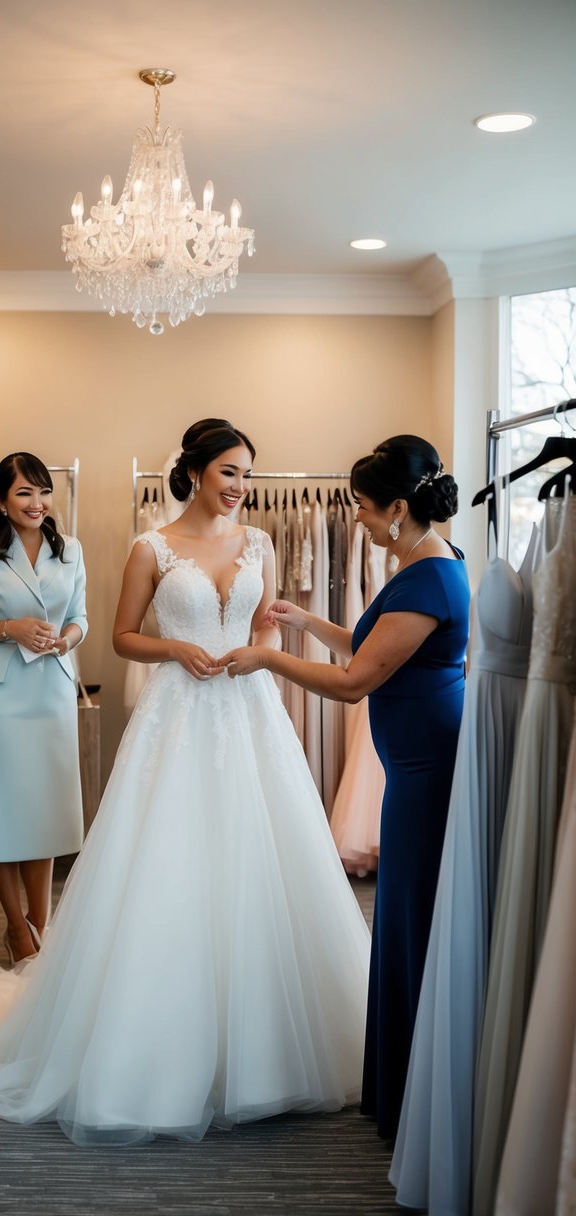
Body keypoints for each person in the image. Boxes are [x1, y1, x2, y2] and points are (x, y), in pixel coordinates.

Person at [0, 419, 370, 1146]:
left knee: (262, 859)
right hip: (180, 713)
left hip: (250, 711)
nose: (239, 488)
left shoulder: (257, 542)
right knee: (170, 860)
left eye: (246, 475)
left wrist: (259, 652)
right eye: (228, 473)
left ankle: (276, 1044)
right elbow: (122, 635)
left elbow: (267, 625)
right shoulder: (150, 547)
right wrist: (175, 649)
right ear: (193, 472)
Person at [222, 434, 470, 1141]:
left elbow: (355, 682)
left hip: (427, 773)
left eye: (362, 508)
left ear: (397, 508)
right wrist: (303, 624)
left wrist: (269, 658)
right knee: (402, 917)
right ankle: (407, 1087)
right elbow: (369, 645)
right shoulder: (421, 564)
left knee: (409, 920)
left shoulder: (427, 578)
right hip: (416, 765)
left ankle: (418, 1097)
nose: (356, 520)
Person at [0, 452, 87, 964]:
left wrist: (66, 640)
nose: (37, 502)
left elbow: (81, 618)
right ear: (2, 501)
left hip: (51, 692)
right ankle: (16, 929)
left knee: (46, 811)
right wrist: (12, 629)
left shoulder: (70, 550)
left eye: (43, 491)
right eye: (24, 493)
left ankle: (40, 922)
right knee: (3, 814)